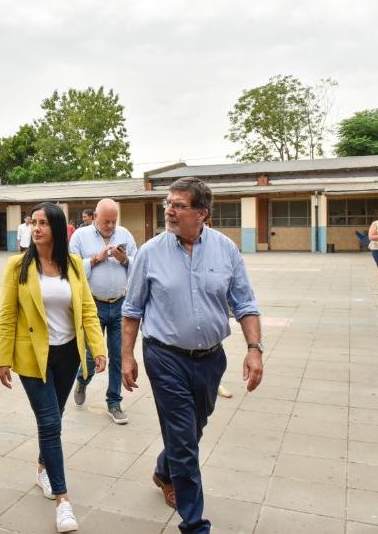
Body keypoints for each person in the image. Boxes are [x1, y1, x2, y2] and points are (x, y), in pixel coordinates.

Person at [121, 177, 263, 534]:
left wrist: (254, 349)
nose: (168, 210)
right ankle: (195, 524)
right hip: (165, 357)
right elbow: (132, 310)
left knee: (192, 429)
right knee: (184, 438)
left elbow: (244, 303)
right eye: (168, 203)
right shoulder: (150, 252)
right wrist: (127, 356)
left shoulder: (226, 249)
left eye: (178, 205)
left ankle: (164, 470)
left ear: (201, 213)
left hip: (211, 360)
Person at [0, 202, 107, 533]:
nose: (36, 228)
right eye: (34, 223)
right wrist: (3, 358)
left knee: (54, 419)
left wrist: (97, 348)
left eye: (43, 223)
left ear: (57, 228)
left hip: (67, 355)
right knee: (49, 423)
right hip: (32, 357)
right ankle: (63, 499)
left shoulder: (73, 264)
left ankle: (43, 467)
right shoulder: (18, 266)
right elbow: (8, 314)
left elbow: (87, 308)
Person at [69, 198, 137, 424]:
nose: (110, 226)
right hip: (93, 305)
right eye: (106, 221)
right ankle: (82, 379)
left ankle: (114, 402)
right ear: (95, 217)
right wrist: (96, 260)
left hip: (120, 304)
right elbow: (72, 269)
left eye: (114, 221)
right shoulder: (80, 236)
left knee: (117, 355)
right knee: (91, 354)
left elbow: (138, 266)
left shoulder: (125, 234)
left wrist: (125, 259)